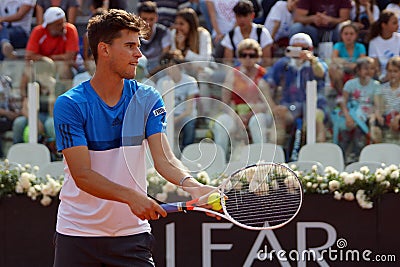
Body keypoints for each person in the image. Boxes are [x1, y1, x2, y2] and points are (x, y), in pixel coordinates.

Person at [52, 9, 214, 266]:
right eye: (129, 46)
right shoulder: (70, 104)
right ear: (104, 50)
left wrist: (193, 185)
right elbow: (82, 175)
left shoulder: (148, 98)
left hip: (132, 237)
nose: (139, 54)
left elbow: (165, 160)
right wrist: (132, 196)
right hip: (77, 236)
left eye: (138, 46)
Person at [260, 33, 328, 147]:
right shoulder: (283, 64)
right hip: (289, 105)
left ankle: (317, 154)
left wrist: (311, 60)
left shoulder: (317, 63)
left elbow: (320, 73)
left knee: (316, 118)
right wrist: (273, 106)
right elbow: (263, 84)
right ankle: (275, 155)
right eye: (296, 48)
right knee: (279, 117)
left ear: (311, 49)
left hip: (314, 106)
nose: (300, 52)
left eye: (304, 48)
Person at [212, 38, 272, 158]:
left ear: (258, 56)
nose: (248, 58)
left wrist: (251, 114)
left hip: (259, 112)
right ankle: (220, 159)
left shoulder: (264, 74)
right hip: (236, 112)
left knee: (257, 122)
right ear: (239, 57)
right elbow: (225, 102)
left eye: (252, 55)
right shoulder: (232, 74)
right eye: (244, 55)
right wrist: (236, 117)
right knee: (222, 122)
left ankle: (262, 159)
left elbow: (269, 103)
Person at [335, 57, 381, 163]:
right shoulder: (350, 84)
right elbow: (343, 102)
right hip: (352, 112)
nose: (369, 71)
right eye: (366, 68)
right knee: (346, 126)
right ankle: (342, 156)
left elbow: (377, 104)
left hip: (366, 113)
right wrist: (347, 117)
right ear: (358, 70)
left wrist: (375, 114)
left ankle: (357, 156)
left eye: (372, 69)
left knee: (360, 127)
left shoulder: (376, 85)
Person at [22, 6, 79, 90]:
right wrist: (46, 60)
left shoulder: (70, 29)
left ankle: (65, 98)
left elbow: (69, 56)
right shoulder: (38, 31)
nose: (63, 26)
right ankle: (21, 97)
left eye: (64, 22)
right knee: (28, 69)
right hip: (42, 65)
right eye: (59, 24)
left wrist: (49, 59)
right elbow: (29, 56)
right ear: (49, 25)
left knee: (64, 67)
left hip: (64, 65)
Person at [156, 51, 199, 153]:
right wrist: (168, 119)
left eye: (172, 65)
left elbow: (189, 109)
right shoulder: (161, 82)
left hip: (184, 115)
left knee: (189, 124)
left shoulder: (190, 81)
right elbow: (160, 105)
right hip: (168, 115)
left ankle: (187, 152)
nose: (169, 69)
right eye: (166, 66)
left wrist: (174, 120)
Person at [220, 0, 273, 67]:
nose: (242, 19)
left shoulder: (262, 32)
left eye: (245, 16)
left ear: (252, 15)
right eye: (239, 16)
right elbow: (228, 63)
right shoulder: (230, 35)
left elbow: (267, 62)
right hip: (238, 73)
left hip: (259, 73)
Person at [329, 21, 366, 96]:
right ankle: (341, 95)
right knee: (333, 68)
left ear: (356, 35)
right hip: (343, 70)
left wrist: (343, 62)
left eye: (351, 34)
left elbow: (362, 61)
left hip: (356, 71)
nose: (348, 36)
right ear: (341, 35)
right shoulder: (338, 45)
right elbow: (334, 59)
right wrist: (351, 64)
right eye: (346, 34)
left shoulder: (360, 47)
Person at [370, 56, 400, 142]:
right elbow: (378, 106)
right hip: (385, 120)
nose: (392, 74)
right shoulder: (381, 88)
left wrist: (398, 118)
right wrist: (378, 114)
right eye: (390, 71)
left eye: (395, 71)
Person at [138, 1, 171, 74]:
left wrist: (149, 75)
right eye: (144, 19)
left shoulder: (164, 32)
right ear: (138, 18)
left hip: (158, 73)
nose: (148, 23)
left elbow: (164, 60)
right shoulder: (133, 33)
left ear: (156, 18)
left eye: (151, 19)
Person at [368, 10, 400, 82]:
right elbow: (375, 65)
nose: (398, 25)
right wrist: (382, 78)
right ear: (384, 25)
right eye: (394, 23)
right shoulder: (374, 42)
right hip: (383, 78)